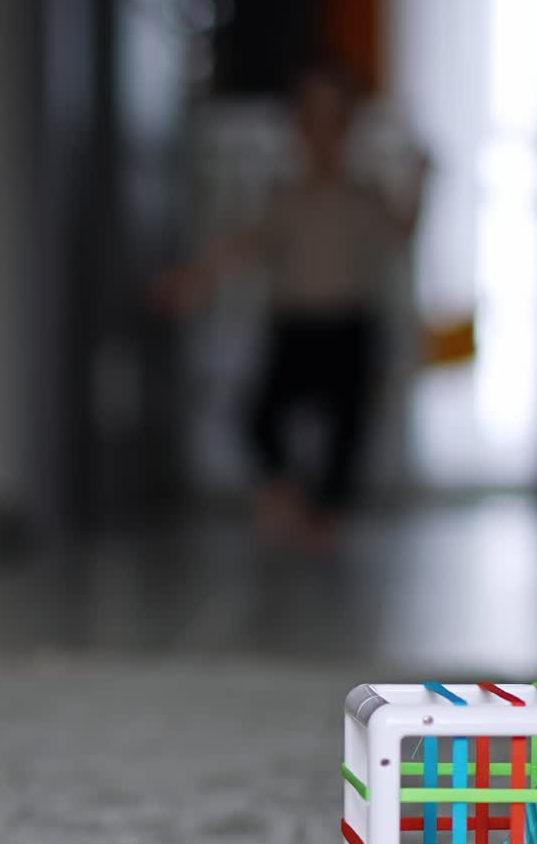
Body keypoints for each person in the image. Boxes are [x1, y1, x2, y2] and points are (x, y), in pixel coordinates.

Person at [155, 65, 428, 548]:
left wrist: (421, 181)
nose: (320, 132)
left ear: (347, 126)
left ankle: (323, 515)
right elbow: (239, 246)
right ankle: (288, 497)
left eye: (332, 119)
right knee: (260, 417)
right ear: (298, 128)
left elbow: (402, 232)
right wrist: (195, 281)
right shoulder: (284, 197)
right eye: (310, 119)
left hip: (351, 327)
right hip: (294, 326)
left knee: (351, 426)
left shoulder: (366, 195)